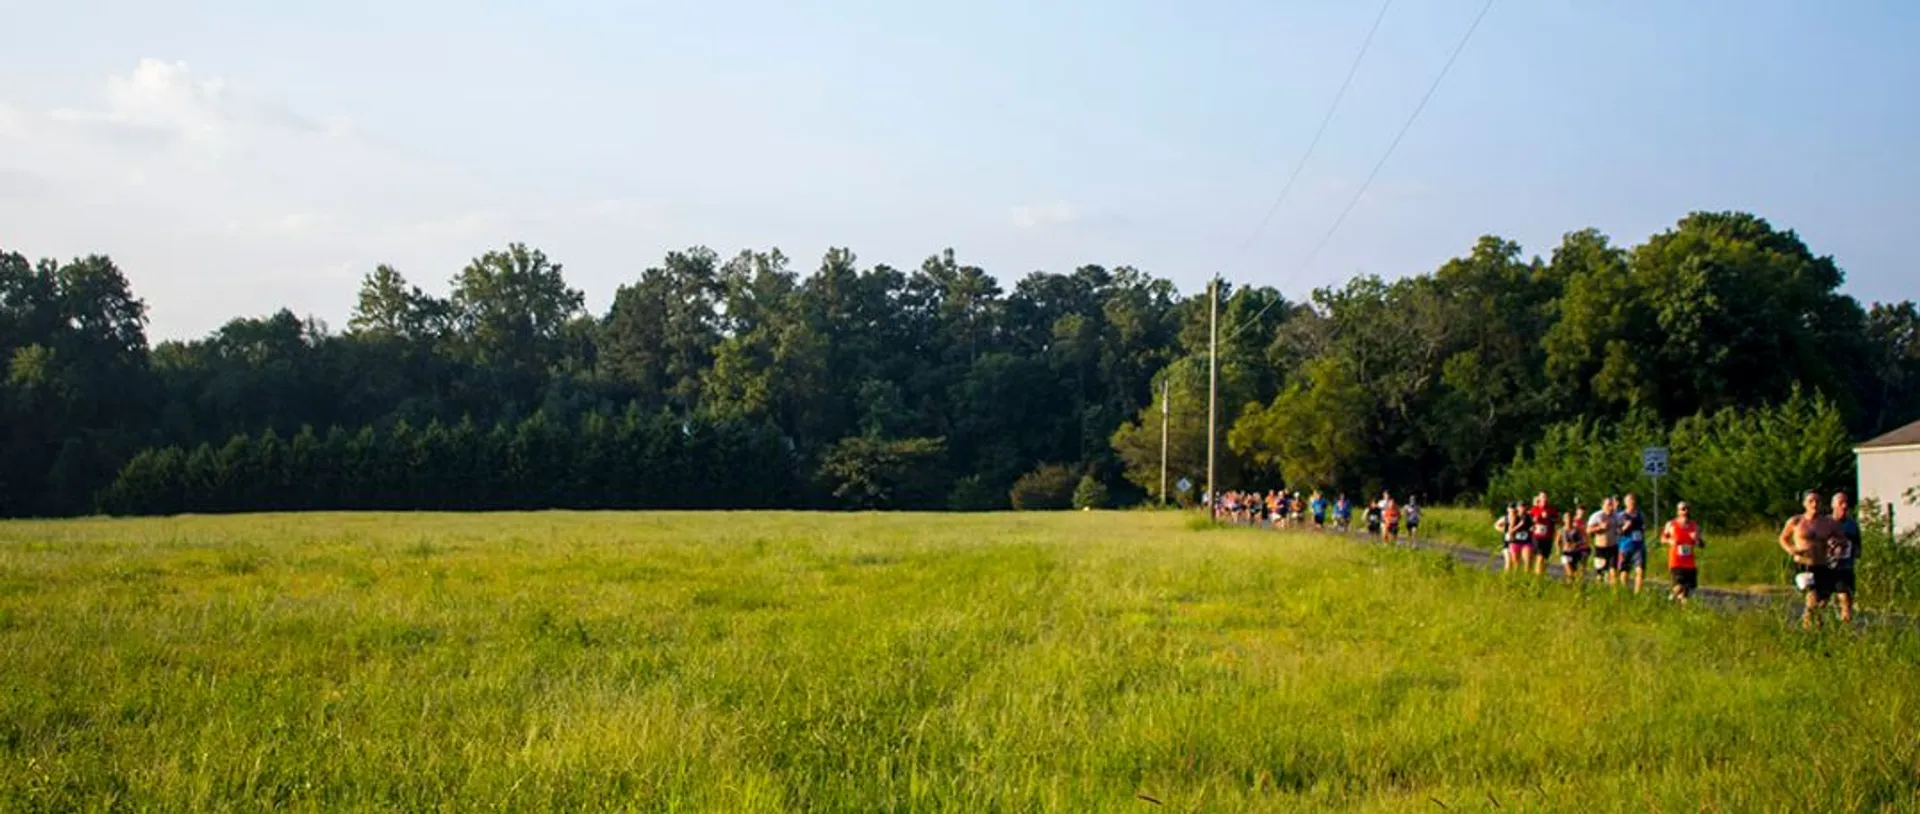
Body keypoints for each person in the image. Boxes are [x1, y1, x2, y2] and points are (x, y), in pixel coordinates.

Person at [1779, 490, 1845, 629]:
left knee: (1822, 603)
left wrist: (1836, 542)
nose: (1814, 504)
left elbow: (1842, 539)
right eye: (1811, 501)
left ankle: (1816, 627)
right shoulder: (1796, 521)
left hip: (1822, 565)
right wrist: (1791, 549)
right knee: (1812, 598)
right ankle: (1807, 629)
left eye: (1817, 501)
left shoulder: (1828, 523)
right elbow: (1783, 538)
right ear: (1804, 503)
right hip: (1803, 565)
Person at [1662, 501, 1705, 604]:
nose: (1685, 511)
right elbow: (1663, 538)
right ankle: (1668, 599)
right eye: (1683, 509)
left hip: (1689, 563)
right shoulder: (1671, 524)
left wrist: (1697, 539)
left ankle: (1680, 610)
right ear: (1678, 511)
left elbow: (1702, 544)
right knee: (1679, 586)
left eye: (1687, 509)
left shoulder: (1694, 525)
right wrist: (1670, 541)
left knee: (1686, 592)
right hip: (1676, 561)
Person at [1833, 492, 1861, 623]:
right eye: (1840, 503)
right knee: (1819, 603)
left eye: (1846, 503)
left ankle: (1846, 628)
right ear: (1833, 505)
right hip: (1827, 567)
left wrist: (1856, 553)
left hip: (1845, 567)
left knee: (1846, 599)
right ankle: (1812, 627)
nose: (1844, 506)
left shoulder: (1852, 524)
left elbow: (1857, 544)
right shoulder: (1826, 522)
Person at [1587, 497, 1622, 588]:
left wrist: (1620, 530)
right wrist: (1600, 528)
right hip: (1601, 548)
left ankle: (1614, 594)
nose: (1611, 507)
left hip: (1613, 547)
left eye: (1612, 504)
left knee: (1613, 572)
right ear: (1603, 505)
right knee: (1600, 574)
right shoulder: (1597, 516)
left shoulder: (1616, 516)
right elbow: (1588, 530)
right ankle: (1600, 591)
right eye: (1608, 505)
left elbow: (1620, 527)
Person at [1618, 494, 1648, 593]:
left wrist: (1643, 530)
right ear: (1625, 503)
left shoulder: (1640, 515)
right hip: (1625, 546)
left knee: (1640, 570)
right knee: (1625, 570)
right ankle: (1624, 591)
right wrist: (1625, 527)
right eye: (1629, 500)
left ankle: (1637, 593)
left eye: (1633, 500)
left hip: (1639, 546)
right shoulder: (1621, 515)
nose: (1632, 502)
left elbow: (1644, 528)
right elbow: (1617, 532)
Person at [1559, 501, 1589, 584]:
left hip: (1582, 548)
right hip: (1569, 551)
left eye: (1584, 511)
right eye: (1580, 510)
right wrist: (1559, 549)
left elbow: (1585, 537)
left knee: (1580, 569)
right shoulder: (1573, 522)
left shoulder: (1586, 522)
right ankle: (1571, 584)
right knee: (1571, 571)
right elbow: (1559, 539)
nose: (1582, 512)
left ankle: (1577, 584)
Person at [1528, 492, 1556, 576]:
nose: (1544, 499)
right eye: (1543, 497)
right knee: (1540, 556)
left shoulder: (1552, 509)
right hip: (1537, 536)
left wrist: (1549, 517)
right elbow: (1529, 520)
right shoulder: (1534, 509)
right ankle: (1537, 576)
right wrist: (1536, 519)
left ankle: (1541, 574)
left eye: (1546, 497)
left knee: (1545, 558)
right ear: (1539, 498)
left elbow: (1558, 520)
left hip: (1548, 536)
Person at [1497, 503, 1530, 573]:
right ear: (1507, 509)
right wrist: (1505, 530)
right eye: (1510, 508)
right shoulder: (1505, 518)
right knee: (1508, 562)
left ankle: (1514, 576)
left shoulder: (1518, 517)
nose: (1512, 509)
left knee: (1516, 562)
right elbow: (1496, 525)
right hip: (1507, 542)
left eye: (1513, 508)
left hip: (1515, 541)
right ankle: (1506, 577)